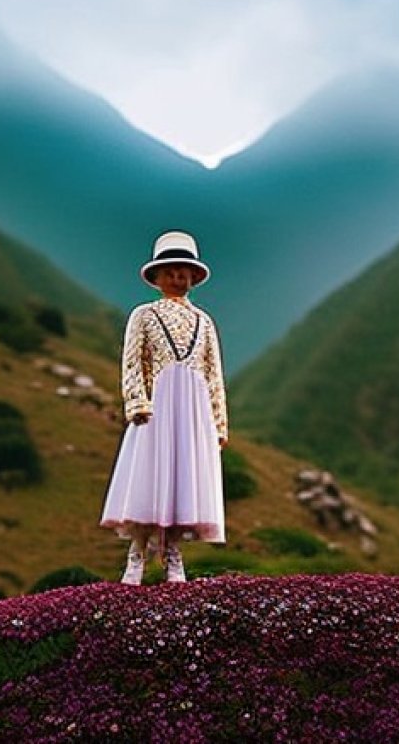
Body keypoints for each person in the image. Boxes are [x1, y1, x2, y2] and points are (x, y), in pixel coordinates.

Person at [100, 231, 228, 585]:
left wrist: (218, 423)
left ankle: (173, 556)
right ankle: (136, 556)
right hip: (158, 405)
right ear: (157, 277)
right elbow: (133, 361)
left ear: (194, 277)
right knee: (149, 479)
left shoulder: (204, 321)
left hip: (192, 408)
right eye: (171, 271)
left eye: (185, 272)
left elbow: (213, 372)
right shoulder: (143, 315)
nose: (178, 278)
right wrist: (137, 401)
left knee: (182, 482)